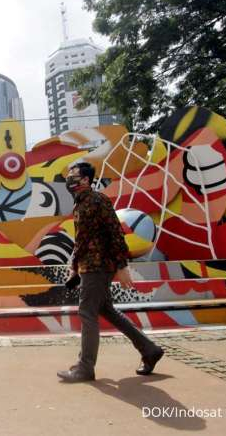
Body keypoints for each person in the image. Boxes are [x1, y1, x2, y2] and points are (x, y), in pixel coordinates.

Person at [57, 162, 163, 382]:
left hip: (98, 266)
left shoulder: (98, 200)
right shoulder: (81, 204)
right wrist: (74, 267)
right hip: (90, 266)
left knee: (87, 313)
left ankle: (85, 368)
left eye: (74, 174)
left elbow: (116, 233)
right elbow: (82, 241)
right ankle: (149, 349)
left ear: (86, 180)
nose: (69, 178)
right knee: (106, 310)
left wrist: (122, 266)